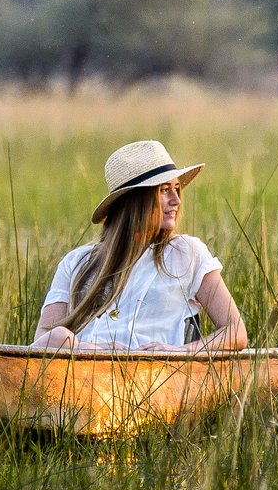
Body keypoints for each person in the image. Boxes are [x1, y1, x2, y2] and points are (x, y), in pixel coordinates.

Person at [33, 140, 249, 352]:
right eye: (165, 190)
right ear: (135, 200)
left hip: (160, 379)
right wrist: (89, 348)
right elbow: (43, 339)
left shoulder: (187, 253)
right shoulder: (76, 262)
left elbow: (235, 331)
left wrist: (181, 351)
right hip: (82, 377)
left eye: (176, 189)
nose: (176, 200)